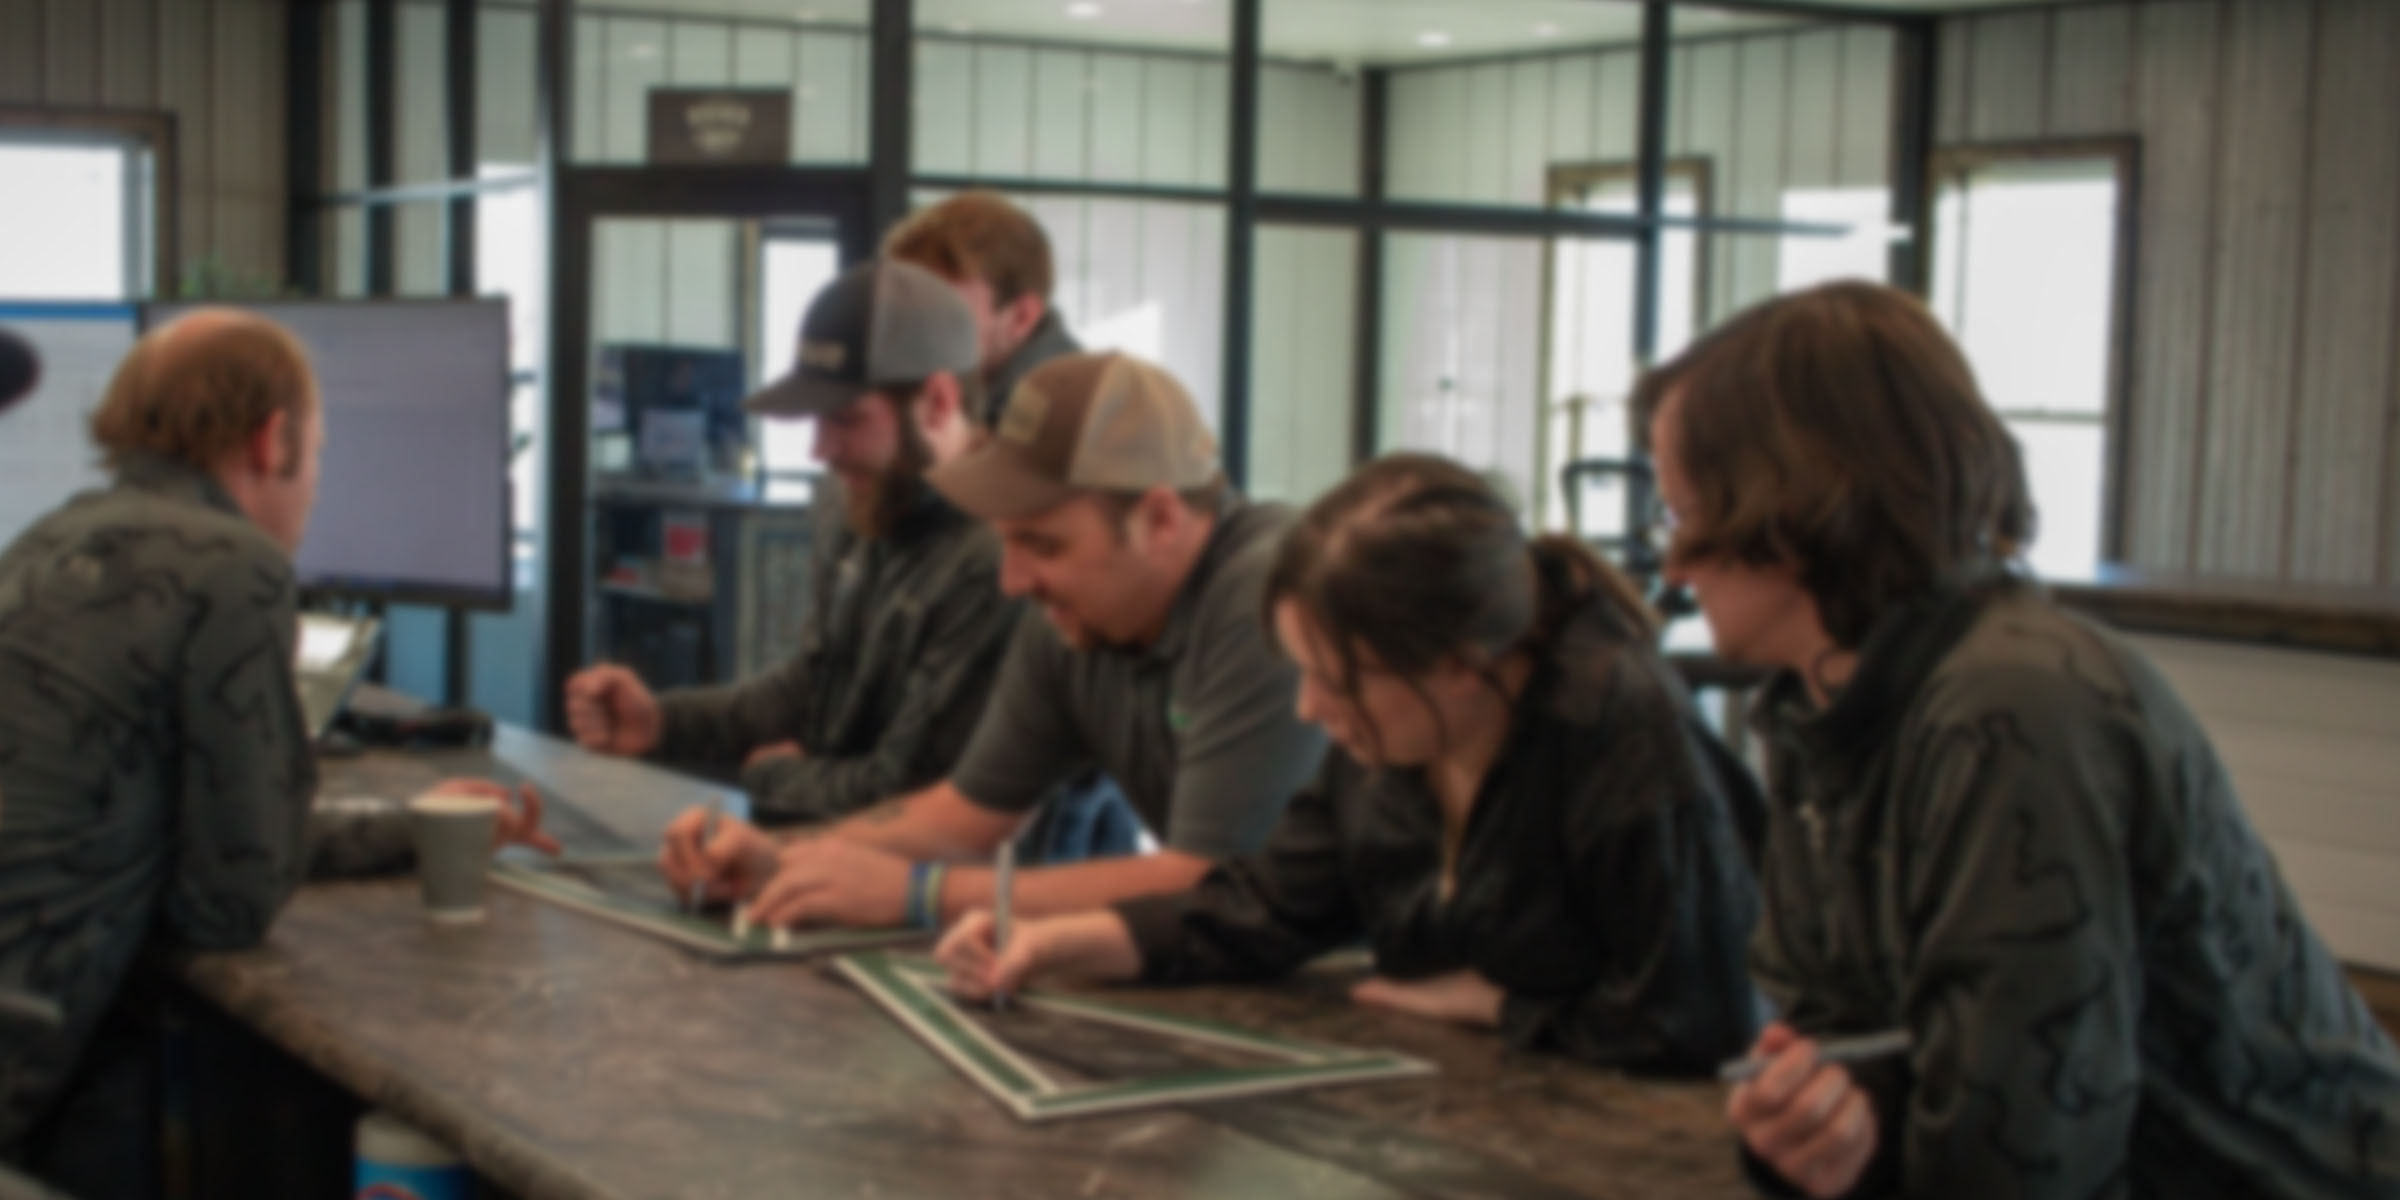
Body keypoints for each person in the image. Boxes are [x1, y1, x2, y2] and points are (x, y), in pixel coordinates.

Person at [1637, 281, 2400, 1197]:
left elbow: (2026, 1157)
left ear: (1796, 505)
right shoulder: (1820, 711)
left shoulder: (2013, 709)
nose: (1674, 566)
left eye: (1687, 515)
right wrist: (1824, 1129)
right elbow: (1844, 1039)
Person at [935, 454, 1764, 1072]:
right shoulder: (1390, 741)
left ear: (1459, 662)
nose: (1309, 710)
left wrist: (1503, 1006)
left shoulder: (1617, 724)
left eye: (1338, 682)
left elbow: (1698, 1015)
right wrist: (1050, 944)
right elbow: (1260, 907)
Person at [661, 352, 1328, 933]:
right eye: (1006, 541)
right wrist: (785, 859)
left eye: (1043, 545)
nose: (1013, 581)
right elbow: (966, 814)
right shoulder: (1068, 618)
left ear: (1159, 520)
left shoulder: (1270, 594)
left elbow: (1207, 882)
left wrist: (921, 894)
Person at [0, 311, 324, 1196]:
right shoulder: (236, 566)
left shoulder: (47, 538)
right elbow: (231, 901)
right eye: (317, 456)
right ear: (270, 441)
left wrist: (400, 831)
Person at [559, 261, 1019, 827]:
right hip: (833, 859)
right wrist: (663, 722)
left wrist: (772, 777)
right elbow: (812, 684)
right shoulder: (860, 501)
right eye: (816, 421)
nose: (819, 450)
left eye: (845, 419)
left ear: (939, 402)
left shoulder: (998, 559)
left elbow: (910, 795)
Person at [885, 191, 1144, 861]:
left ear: (1021, 315)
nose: (913, 327)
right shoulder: (988, 396)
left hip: (1057, 765)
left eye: (941, 306)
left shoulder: (1055, 416)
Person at [884, 191, 1081, 423]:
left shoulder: (1069, 424)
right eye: (909, 308)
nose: (915, 330)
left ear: (1022, 318)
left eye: (943, 311)